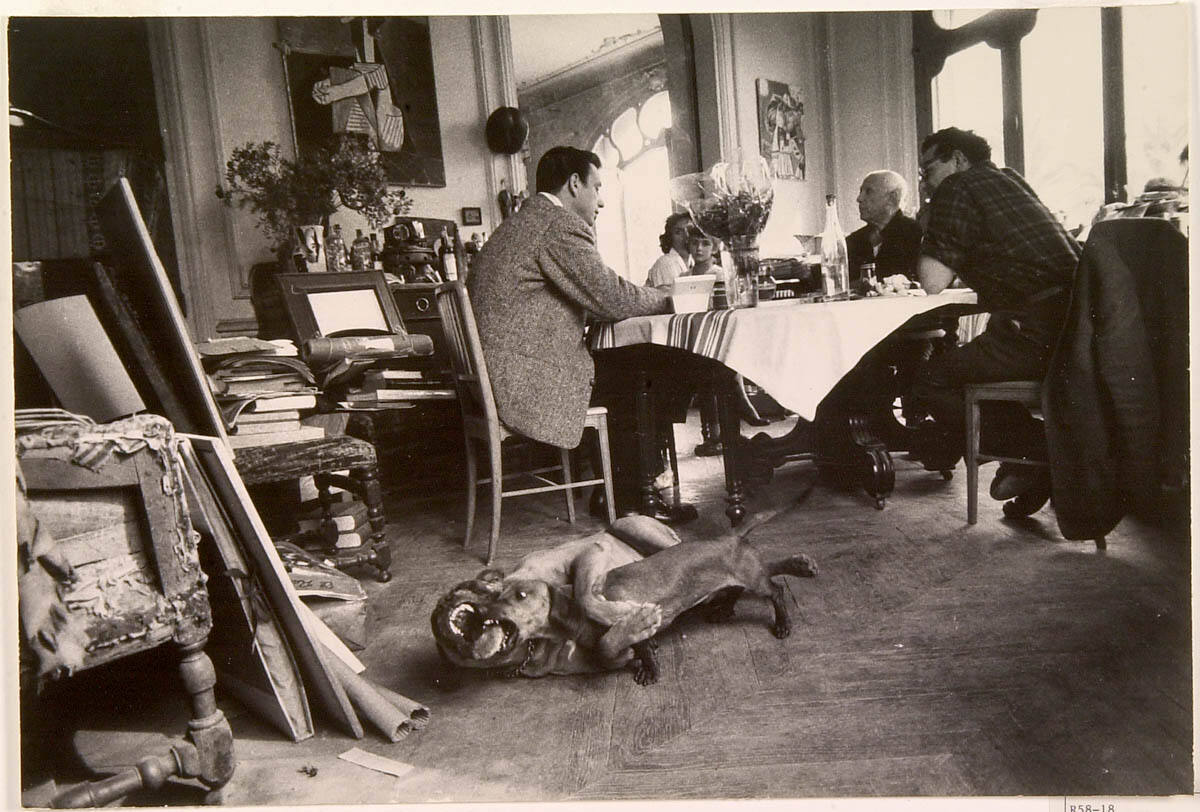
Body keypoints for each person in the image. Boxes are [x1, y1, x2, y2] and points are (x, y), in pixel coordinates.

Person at [466, 145, 681, 522]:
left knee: (625, 366)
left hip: (495, 380)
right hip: (523, 384)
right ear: (574, 184)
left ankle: (616, 491)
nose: (602, 201)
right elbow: (610, 296)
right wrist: (668, 298)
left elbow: (586, 297)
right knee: (644, 371)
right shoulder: (558, 224)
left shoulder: (524, 221)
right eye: (597, 188)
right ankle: (632, 502)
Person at [909, 127, 1081, 507]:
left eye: (928, 170)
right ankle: (1027, 465)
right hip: (1074, 328)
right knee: (968, 369)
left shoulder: (957, 187)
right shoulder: (1009, 180)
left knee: (931, 379)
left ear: (958, 159)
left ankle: (1039, 457)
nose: (925, 181)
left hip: (1032, 331)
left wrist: (930, 222)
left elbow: (932, 281)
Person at [846, 170, 923, 286]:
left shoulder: (916, 234)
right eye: (861, 191)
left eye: (868, 191)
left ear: (892, 198)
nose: (859, 198)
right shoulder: (854, 240)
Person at [646, 212, 694, 292]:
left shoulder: (692, 262)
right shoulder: (666, 263)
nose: (686, 235)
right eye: (678, 232)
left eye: (690, 230)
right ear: (670, 238)